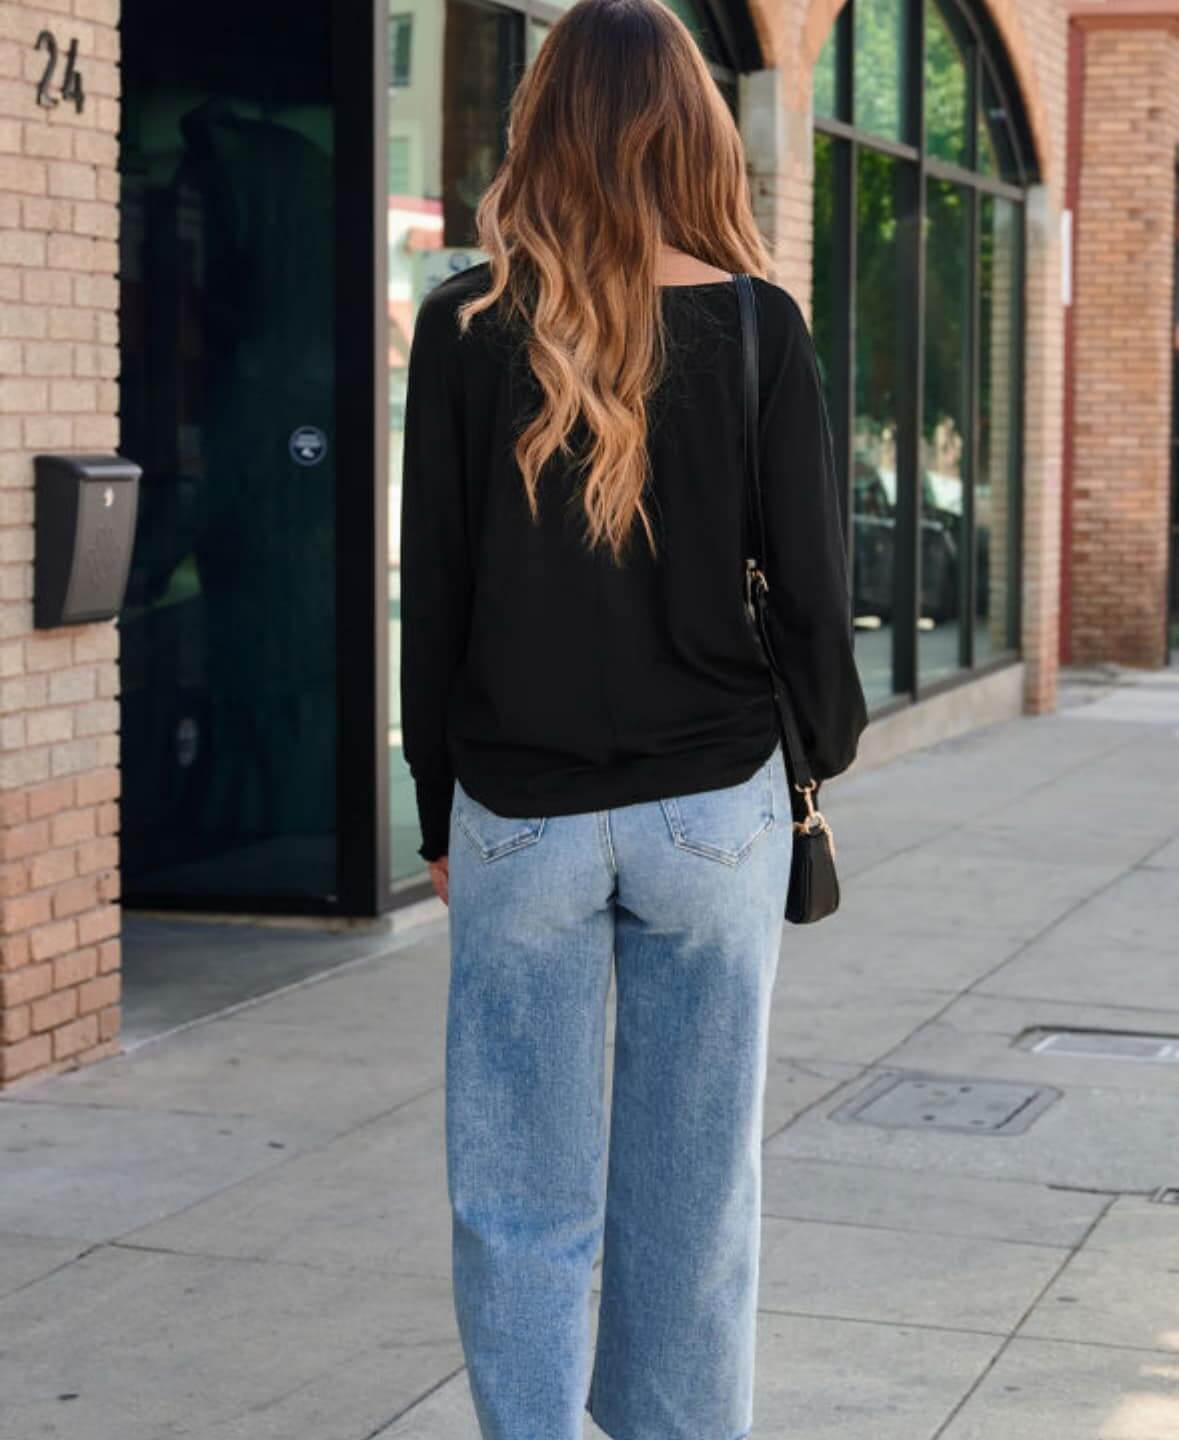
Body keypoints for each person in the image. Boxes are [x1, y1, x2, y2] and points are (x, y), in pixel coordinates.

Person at [399, 1, 869, 1435]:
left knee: (517, 1197)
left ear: (542, 128)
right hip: (712, 807)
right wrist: (815, 756)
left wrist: (435, 812)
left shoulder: (465, 326)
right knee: (694, 1195)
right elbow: (814, 598)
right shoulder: (755, 329)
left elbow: (439, 601)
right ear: (692, 134)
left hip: (520, 816)